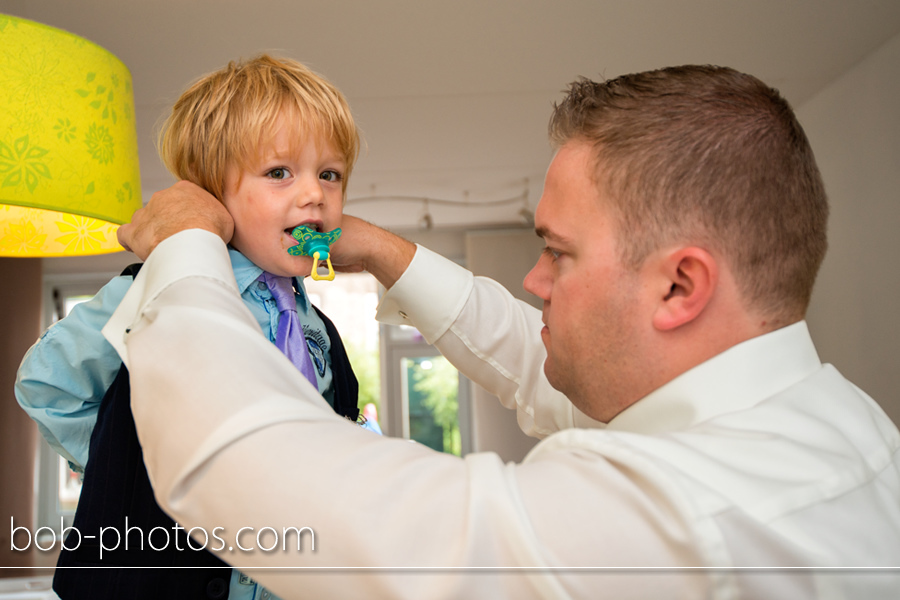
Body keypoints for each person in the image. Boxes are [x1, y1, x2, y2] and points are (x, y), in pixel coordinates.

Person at [105, 66, 899, 599]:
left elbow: (260, 477)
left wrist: (184, 246)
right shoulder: (846, 426)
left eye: (556, 252)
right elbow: (540, 364)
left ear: (680, 285)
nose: (534, 279)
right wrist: (383, 251)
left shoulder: (674, 517)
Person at [15, 55, 364, 600]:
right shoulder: (152, 290)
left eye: (330, 173)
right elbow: (48, 386)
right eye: (279, 172)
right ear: (209, 195)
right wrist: (140, 475)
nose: (315, 193)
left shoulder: (323, 334)